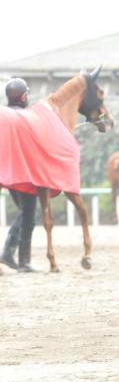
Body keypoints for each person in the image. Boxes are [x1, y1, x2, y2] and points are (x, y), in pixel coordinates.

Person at [1, 78, 38, 273]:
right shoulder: (26, 116)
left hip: (9, 174)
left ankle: (9, 253)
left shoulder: (5, 116)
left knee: (25, 213)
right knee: (29, 215)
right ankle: (22, 261)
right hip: (23, 174)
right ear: (23, 96)